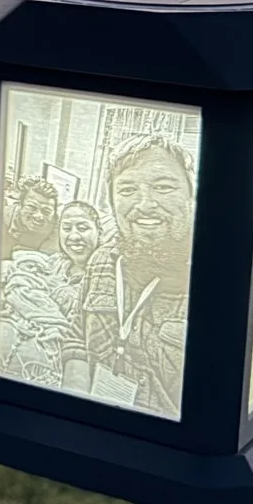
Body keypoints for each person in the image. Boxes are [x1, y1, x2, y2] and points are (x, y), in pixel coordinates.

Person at [78, 134, 197, 418]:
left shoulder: (218, 282)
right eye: (127, 189)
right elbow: (76, 331)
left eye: (164, 187)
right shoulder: (102, 261)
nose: (144, 204)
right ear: (111, 201)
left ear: (191, 196)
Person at [0, 200, 103, 389]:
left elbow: (85, 327)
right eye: (67, 228)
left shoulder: (103, 279)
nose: (74, 236)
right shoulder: (55, 262)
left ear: (99, 232)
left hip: (54, 357)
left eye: (82, 227)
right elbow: (20, 278)